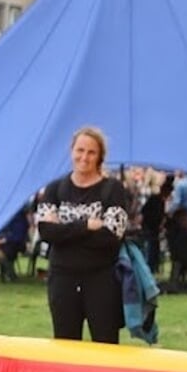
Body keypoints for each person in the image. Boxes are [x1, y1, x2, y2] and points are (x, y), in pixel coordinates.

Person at [34, 127, 133, 344]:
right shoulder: (55, 188)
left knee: (106, 345)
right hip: (62, 280)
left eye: (91, 152)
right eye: (80, 150)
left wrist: (65, 231)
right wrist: (87, 225)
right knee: (65, 345)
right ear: (71, 151)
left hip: (102, 281)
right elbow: (46, 232)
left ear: (100, 157)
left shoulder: (113, 190)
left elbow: (110, 238)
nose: (84, 157)